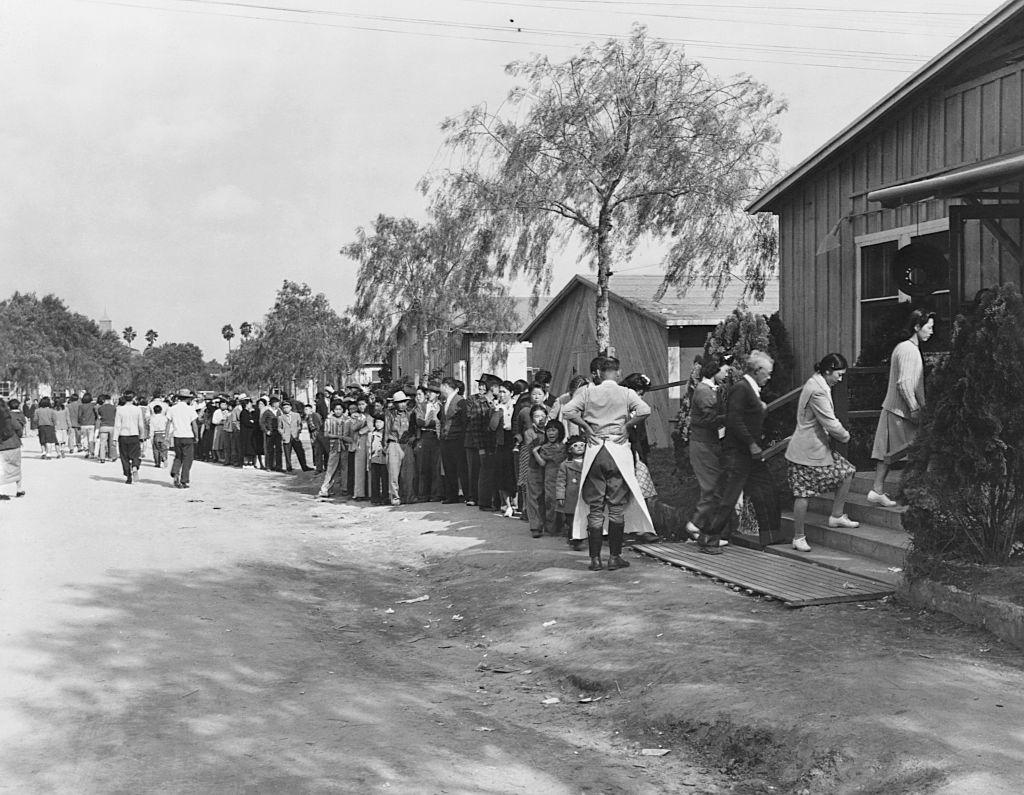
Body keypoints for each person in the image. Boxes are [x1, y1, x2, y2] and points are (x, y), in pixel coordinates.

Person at [562, 357, 655, 571]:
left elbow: (568, 412)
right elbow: (644, 410)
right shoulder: (626, 392)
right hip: (617, 448)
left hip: (595, 449)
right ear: (618, 373)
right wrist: (628, 426)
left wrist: (585, 426)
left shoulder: (587, 391)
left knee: (595, 508)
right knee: (616, 507)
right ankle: (614, 557)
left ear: (599, 373)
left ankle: (595, 560)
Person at [695, 350, 781, 555]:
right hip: (738, 453)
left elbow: (746, 414)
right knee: (728, 496)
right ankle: (708, 537)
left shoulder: (751, 390)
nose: (769, 377)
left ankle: (771, 536)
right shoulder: (741, 388)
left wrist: (760, 408)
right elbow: (734, 420)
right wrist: (752, 443)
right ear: (757, 371)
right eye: (767, 373)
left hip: (749, 454)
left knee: (766, 490)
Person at [785, 353, 860, 552]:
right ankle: (798, 537)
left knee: (846, 471)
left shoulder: (816, 383)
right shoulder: (818, 390)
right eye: (839, 374)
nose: (840, 379)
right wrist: (846, 436)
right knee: (803, 494)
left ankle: (836, 516)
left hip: (813, 447)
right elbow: (830, 422)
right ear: (827, 371)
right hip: (806, 450)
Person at [869, 309, 936, 507]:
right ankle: (905, 492)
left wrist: (923, 407)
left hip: (899, 410)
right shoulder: (908, 350)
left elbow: (916, 385)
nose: (931, 332)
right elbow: (904, 383)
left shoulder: (908, 348)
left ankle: (879, 489)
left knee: (891, 452)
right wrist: (916, 409)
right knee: (904, 450)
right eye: (929, 327)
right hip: (901, 412)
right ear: (917, 327)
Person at [685, 356, 732, 540]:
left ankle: (704, 532)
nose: (727, 374)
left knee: (714, 488)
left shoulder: (710, 390)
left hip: (708, 444)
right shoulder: (705, 392)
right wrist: (732, 417)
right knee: (711, 488)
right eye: (725, 370)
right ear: (715, 369)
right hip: (703, 445)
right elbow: (710, 420)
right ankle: (695, 524)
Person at [464, 374, 499, 508]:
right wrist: (481, 448)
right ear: (493, 388)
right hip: (481, 444)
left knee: (489, 472)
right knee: (480, 472)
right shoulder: (478, 403)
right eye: (498, 388)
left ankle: (489, 500)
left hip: (492, 444)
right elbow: (476, 428)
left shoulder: (494, 403)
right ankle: (481, 500)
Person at [490, 381, 519, 517]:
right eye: (500, 392)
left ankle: (516, 503)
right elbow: (492, 427)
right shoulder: (497, 407)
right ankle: (507, 504)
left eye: (504, 392)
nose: (501, 395)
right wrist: (497, 412)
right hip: (502, 443)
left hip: (514, 441)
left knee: (515, 474)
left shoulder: (516, 406)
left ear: (511, 393)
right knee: (503, 474)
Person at [533, 417, 565, 538]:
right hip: (550, 478)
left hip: (563, 477)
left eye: (554, 430)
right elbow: (542, 463)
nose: (551, 433)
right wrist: (535, 453)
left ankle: (564, 527)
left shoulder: (564, 447)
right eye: (549, 431)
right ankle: (551, 528)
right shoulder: (545, 448)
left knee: (563, 501)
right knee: (550, 502)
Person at [439, 377, 467, 504]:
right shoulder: (446, 401)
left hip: (457, 439)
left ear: (445, 386)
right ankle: (452, 495)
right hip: (446, 439)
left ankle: (467, 494)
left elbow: (464, 422)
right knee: (449, 467)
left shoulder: (459, 401)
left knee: (461, 467)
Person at [555, 434, 586, 550]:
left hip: (584, 494)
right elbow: (560, 481)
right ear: (570, 449)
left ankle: (581, 537)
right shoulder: (565, 465)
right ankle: (574, 539)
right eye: (576, 445)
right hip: (571, 496)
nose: (579, 447)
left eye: (582, 445)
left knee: (584, 518)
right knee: (571, 519)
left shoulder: (589, 462)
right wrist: (560, 495)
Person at [414, 384, 443, 502]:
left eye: (432, 392)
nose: (429, 394)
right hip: (425, 436)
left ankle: (435, 494)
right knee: (423, 466)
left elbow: (443, 420)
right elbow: (419, 421)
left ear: (437, 394)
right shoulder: (422, 406)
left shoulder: (441, 406)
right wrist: (433, 422)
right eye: (428, 392)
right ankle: (423, 494)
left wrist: (431, 422)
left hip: (436, 437)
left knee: (436, 466)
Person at [166, 389, 199, 488]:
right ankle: (184, 480)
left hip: (177, 436)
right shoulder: (190, 409)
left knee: (178, 456)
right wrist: (196, 436)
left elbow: (168, 424)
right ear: (188, 399)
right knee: (187, 459)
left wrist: (167, 436)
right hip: (188, 436)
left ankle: (175, 472)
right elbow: (194, 424)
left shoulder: (172, 409)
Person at [384, 391, 412, 505]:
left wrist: (412, 438)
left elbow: (413, 428)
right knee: (393, 473)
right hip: (394, 443)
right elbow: (386, 430)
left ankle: (408, 497)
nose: (402, 405)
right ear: (395, 403)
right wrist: (385, 446)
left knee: (409, 473)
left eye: (403, 402)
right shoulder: (390, 414)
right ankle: (395, 497)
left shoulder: (409, 414)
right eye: (399, 402)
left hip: (406, 444)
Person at [114, 391, 147, 484]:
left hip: (123, 435)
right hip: (134, 434)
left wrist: (114, 438)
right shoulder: (137, 409)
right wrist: (142, 435)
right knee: (136, 455)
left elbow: (117, 425)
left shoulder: (119, 409)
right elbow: (140, 424)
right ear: (133, 398)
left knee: (124, 457)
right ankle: (135, 466)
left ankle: (128, 476)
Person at [318, 402, 348, 499]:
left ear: (343, 410)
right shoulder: (329, 420)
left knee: (345, 469)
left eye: (340, 409)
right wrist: (338, 436)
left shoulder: (347, 420)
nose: (338, 411)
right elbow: (326, 434)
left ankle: (344, 488)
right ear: (333, 410)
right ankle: (325, 489)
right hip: (334, 446)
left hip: (345, 446)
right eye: (336, 409)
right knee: (331, 468)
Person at [0, 400, 26, 499]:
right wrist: (17, 436)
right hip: (13, 444)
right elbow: (18, 428)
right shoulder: (9, 416)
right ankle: (19, 490)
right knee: (16, 467)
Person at [278, 401, 311, 472]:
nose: (285, 409)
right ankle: (289, 467)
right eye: (284, 408)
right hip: (286, 437)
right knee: (287, 453)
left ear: (290, 407)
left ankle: (304, 466)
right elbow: (279, 427)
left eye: (287, 407)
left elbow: (299, 424)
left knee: (300, 452)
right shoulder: (281, 417)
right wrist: (282, 434)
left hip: (295, 436)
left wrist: (298, 432)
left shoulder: (296, 415)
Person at [351, 398, 371, 499]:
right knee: (359, 467)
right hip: (360, 441)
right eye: (359, 404)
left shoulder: (371, 414)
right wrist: (361, 420)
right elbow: (353, 428)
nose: (361, 406)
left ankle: (372, 493)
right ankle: (359, 493)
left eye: (363, 404)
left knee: (371, 467)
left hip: (371, 440)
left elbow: (372, 426)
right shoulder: (357, 416)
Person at [368, 416, 388, 505]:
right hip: (374, 459)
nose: (378, 424)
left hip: (384, 460)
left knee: (385, 480)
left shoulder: (387, 434)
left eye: (380, 422)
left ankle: (385, 498)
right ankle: (375, 499)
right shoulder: (372, 434)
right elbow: (369, 447)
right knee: (375, 480)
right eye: (376, 422)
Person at [261, 397, 283, 471]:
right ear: (273, 404)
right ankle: (269, 466)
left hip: (278, 433)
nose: (278, 404)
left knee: (279, 449)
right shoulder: (267, 412)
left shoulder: (279, 411)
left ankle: (278, 466)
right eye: (277, 403)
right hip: (270, 433)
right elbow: (262, 422)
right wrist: (266, 431)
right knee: (269, 450)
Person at [238, 397, 261, 467]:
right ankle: (245, 462)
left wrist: (253, 421)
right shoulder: (243, 412)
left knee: (251, 447)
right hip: (245, 433)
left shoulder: (251, 412)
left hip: (251, 433)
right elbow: (246, 422)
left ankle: (250, 462)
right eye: (250, 403)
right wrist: (252, 422)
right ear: (246, 404)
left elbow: (254, 421)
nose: (251, 405)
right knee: (246, 447)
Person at [304, 403, 325, 473]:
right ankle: (319, 467)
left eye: (307, 409)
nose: (305, 411)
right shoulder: (308, 417)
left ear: (311, 410)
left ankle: (320, 468)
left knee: (319, 452)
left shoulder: (315, 415)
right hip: (314, 435)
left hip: (318, 435)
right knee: (316, 452)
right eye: (305, 409)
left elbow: (318, 426)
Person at [96, 395, 117, 462]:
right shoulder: (114, 407)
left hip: (103, 426)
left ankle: (102, 457)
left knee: (102, 442)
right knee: (112, 442)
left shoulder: (100, 408)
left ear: (103, 400)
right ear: (109, 400)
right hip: (112, 426)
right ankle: (112, 456)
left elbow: (99, 417)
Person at [78, 393, 98, 458]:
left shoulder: (81, 406)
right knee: (91, 439)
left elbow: (79, 416)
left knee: (84, 438)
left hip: (83, 424)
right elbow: (96, 414)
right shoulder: (93, 405)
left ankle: (87, 451)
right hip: (91, 424)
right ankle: (91, 453)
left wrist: (79, 422)